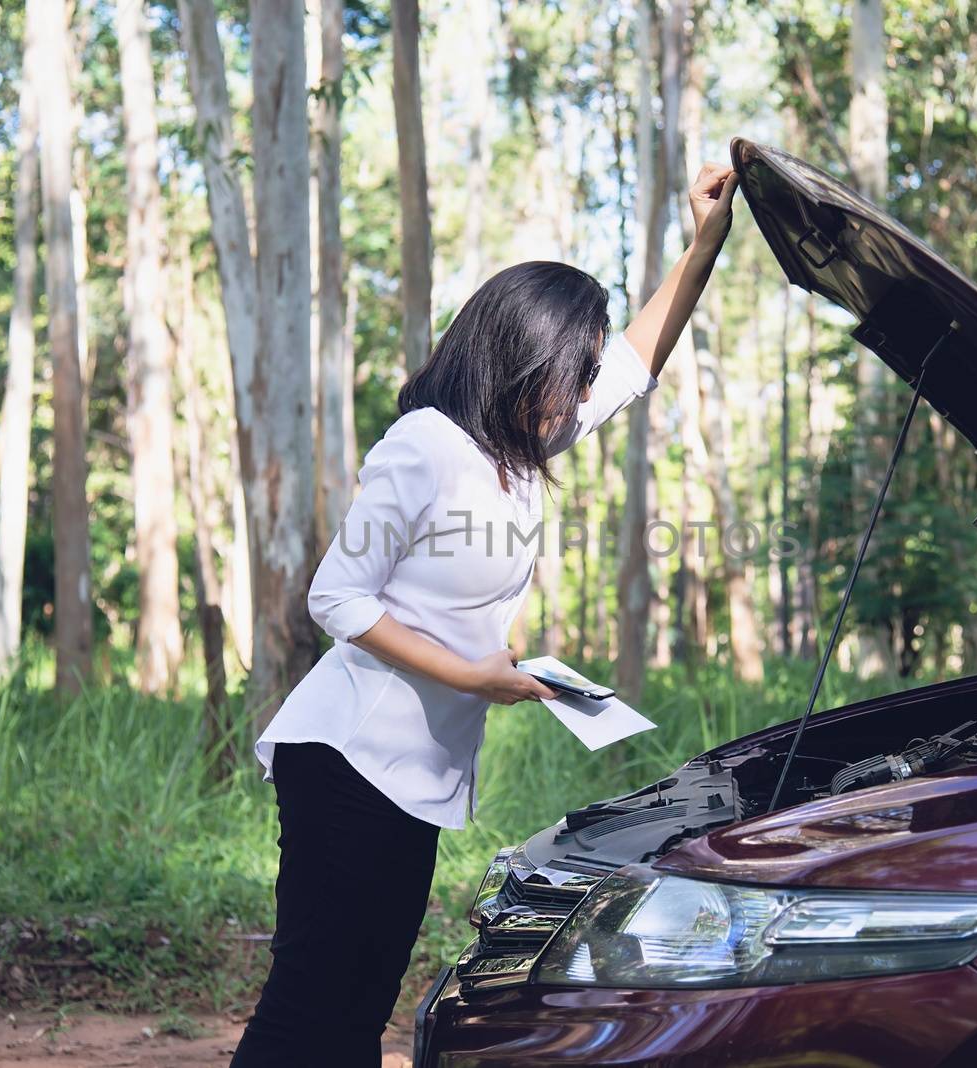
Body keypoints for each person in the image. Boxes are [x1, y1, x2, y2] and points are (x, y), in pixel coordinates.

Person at [229, 163, 741, 1067]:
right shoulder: (426, 445)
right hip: (347, 758)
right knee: (308, 1007)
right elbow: (335, 596)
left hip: (412, 772)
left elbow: (635, 366)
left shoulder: (515, 451)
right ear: (523, 360)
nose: (582, 394)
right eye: (570, 373)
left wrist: (703, 245)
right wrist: (475, 674)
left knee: (360, 1009)